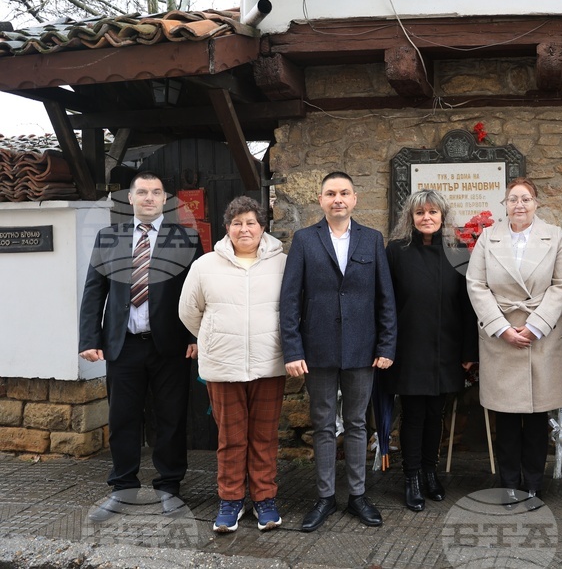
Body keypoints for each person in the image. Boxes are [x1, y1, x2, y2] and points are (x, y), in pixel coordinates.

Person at [79, 172, 202, 521]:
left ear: (165, 199)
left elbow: (199, 292)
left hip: (171, 345)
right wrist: (89, 338)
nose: (149, 198)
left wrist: (195, 336)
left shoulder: (185, 239)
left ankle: (169, 487)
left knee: (171, 418)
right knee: (122, 418)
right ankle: (122, 487)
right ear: (130, 198)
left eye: (156, 192)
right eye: (143, 192)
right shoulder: (109, 238)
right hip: (123, 344)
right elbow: (94, 290)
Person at [279, 171, 397, 531]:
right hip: (317, 349)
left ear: (354, 199)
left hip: (362, 349)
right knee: (324, 423)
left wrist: (386, 344)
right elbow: (290, 299)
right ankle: (325, 497)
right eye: (331, 193)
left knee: (358, 423)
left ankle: (358, 496)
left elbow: (385, 298)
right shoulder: (304, 240)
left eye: (344, 192)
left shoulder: (372, 240)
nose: (338, 199)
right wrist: (292, 350)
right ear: (321, 200)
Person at [179, 197, 287, 533]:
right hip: (223, 365)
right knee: (231, 438)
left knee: (264, 437)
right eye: (237, 223)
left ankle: (265, 499)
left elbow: (294, 308)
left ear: (262, 227)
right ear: (227, 228)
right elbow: (188, 311)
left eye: (251, 222)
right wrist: (213, 337)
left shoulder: (283, 263)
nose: (244, 229)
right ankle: (230, 500)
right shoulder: (205, 265)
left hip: (269, 363)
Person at [466, 177, 562, 500]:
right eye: (513, 199)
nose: (519, 205)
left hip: (541, 337)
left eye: (526, 199)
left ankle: (534, 483)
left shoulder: (555, 236)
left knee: (538, 416)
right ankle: (509, 483)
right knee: (506, 417)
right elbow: (476, 284)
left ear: (536, 203)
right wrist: (501, 328)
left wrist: (535, 325)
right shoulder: (488, 238)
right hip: (501, 337)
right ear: (505, 204)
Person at [384, 189, 478, 512]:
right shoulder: (396, 251)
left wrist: (468, 351)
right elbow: (385, 302)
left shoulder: (458, 252)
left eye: (433, 212)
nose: (427, 218)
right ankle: (411, 477)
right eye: (420, 213)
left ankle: (429, 472)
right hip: (408, 348)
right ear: (410, 218)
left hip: (446, 348)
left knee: (436, 414)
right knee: (413, 415)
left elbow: (467, 306)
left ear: (442, 216)